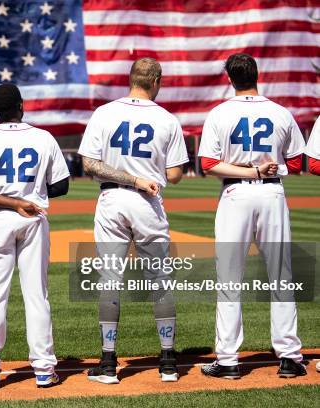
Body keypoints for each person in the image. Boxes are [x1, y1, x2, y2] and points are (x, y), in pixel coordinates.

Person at [78, 58, 188, 384]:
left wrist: (127, 176)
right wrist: (145, 175)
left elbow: (89, 164)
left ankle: (109, 364)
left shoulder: (105, 113)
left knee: (110, 279)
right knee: (159, 279)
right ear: (156, 81)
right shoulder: (167, 119)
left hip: (112, 200)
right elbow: (176, 174)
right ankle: (168, 361)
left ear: (131, 79)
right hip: (149, 203)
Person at [198, 53, 306, 379]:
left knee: (230, 279)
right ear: (257, 75)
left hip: (235, 194)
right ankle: (289, 357)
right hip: (272, 193)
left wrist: (249, 170)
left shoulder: (219, 113)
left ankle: (229, 360)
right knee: (281, 276)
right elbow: (298, 162)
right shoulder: (280, 112)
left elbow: (207, 164)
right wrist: (263, 166)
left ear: (230, 78)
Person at [0, 84, 69, 389]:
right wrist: (28, 195)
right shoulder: (42, 137)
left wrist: (10, 200)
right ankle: (45, 369)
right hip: (34, 216)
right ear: (22, 105)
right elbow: (61, 186)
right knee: (37, 295)